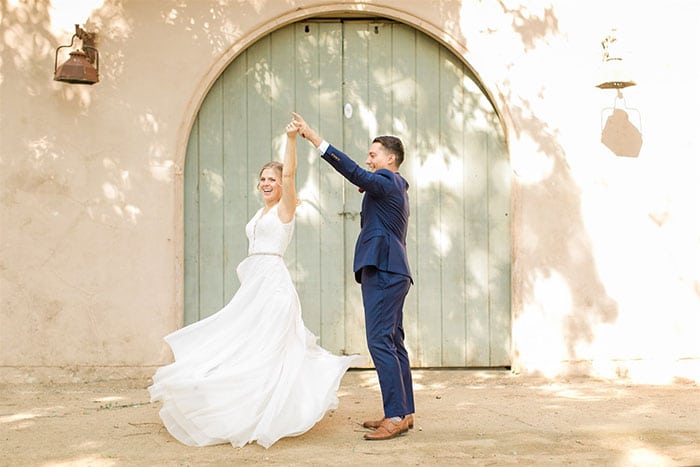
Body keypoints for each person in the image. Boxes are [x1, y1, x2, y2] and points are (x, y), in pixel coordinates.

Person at [148, 117, 359, 449]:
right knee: (243, 343)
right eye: (262, 179)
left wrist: (291, 140)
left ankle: (267, 414)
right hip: (255, 285)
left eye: (272, 179)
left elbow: (290, 175)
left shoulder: (285, 209)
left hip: (274, 289)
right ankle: (243, 407)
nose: (267, 183)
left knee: (268, 348)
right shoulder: (261, 213)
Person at [292, 112, 415, 441]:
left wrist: (314, 138)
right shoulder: (398, 186)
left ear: (391, 159)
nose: (368, 159)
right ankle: (404, 412)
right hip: (396, 270)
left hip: (384, 270)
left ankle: (394, 415)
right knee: (394, 342)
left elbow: (353, 170)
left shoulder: (388, 181)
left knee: (379, 342)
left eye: (373, 154)